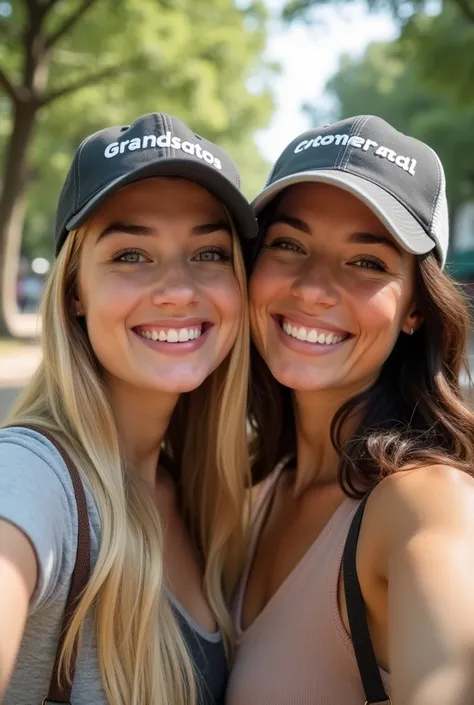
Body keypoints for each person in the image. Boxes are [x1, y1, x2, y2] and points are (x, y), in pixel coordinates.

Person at [0, 112, 257, 705]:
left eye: (210, 253)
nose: (178, 289)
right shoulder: (32, 478)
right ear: (74, 292)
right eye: (131, 255)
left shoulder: (205, 494)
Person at [226, 116, 474, 705]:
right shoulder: (255, 484)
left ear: (416, 308)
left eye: (366, 262)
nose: (314, 288)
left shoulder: (426, 504)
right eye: (288, 245)